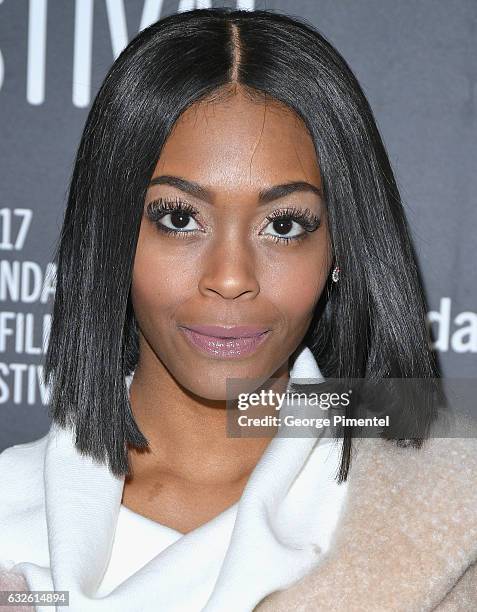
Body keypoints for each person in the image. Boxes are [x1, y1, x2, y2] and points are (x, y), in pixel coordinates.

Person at [0, 7, 475, 612]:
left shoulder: (447, 521)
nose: (230, 278)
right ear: (111, 235)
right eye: (178, 219)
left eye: (283, 225)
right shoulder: (6, 519)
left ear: (339, 248)